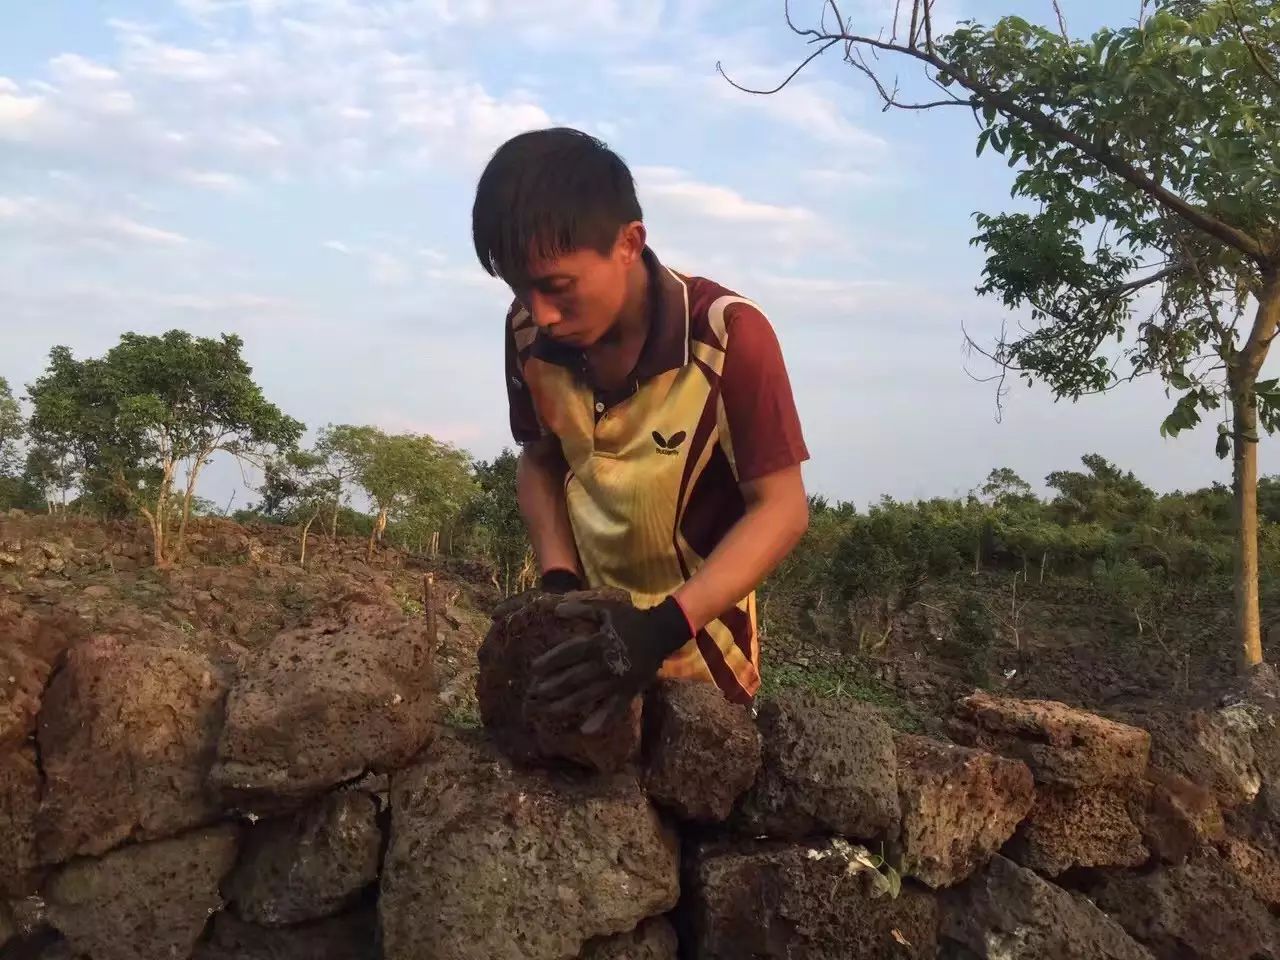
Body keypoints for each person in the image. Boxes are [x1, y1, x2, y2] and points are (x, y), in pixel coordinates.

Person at [473, 127, 810, 734]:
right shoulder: (529, 333)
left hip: (701, 659)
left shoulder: (729, 337)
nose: (540, 311)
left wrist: (658, 630)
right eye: (521, 288)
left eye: (557, 286)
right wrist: (559, 588)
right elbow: (540, 461)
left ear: (629, 243)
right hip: (588, 649)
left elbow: (781, 510)